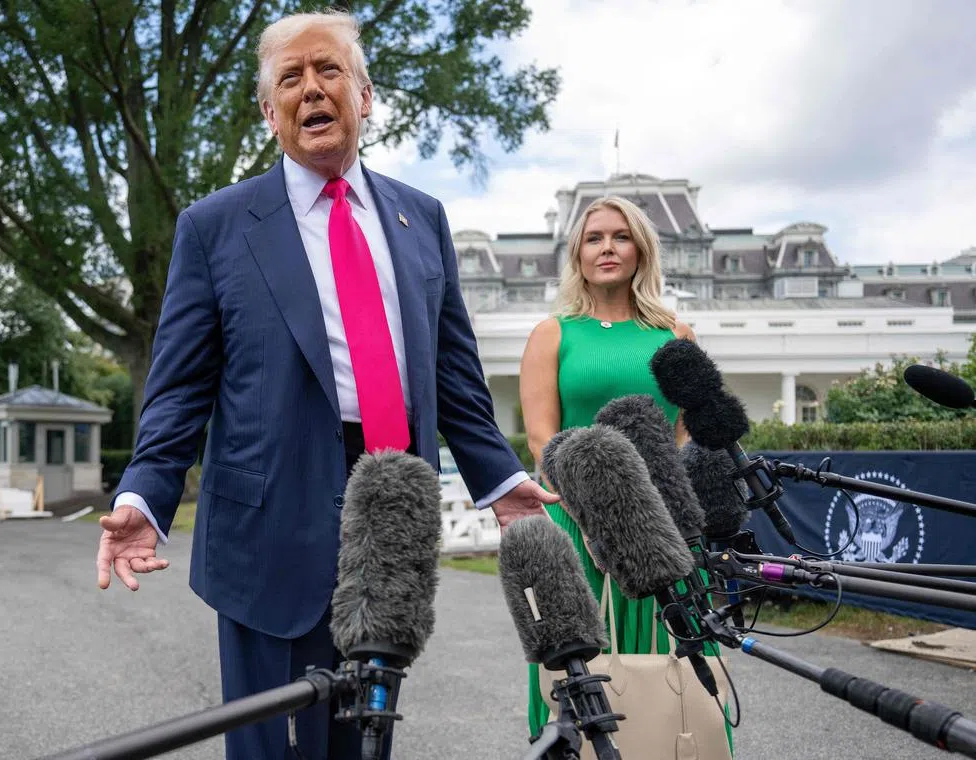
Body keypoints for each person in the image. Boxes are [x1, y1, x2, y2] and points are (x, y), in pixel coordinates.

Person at [94, 11, 557, 760]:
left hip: (388, 517)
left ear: (365, 95)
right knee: (264, 747)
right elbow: (178, 389)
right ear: (268, 110)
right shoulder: (214, 227)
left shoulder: (422, 218)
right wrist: (144, 494)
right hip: (265, 524)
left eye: (329, 71)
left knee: (362, 742)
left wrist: (499, 479)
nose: (312, 89)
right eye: (291, 78)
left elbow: (453, 373)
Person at [518, 196, 732, 752]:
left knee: (674, 669)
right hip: (574, 524)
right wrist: (591, 512)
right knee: (579, 672)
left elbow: (682, 433)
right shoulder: (553, 333)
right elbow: (542, 438)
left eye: (620, 236)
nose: (607, 247)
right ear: (577, 253)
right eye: (594, 238)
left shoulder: (674, 335)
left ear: (641, 249)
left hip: (662, 525)